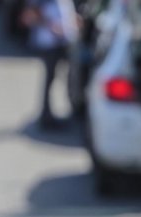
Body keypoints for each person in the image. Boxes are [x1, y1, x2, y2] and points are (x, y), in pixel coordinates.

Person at [28, 0, 79, 129]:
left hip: (63, 42)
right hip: (50, 43)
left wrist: (74, 22)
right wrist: (52, 27)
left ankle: (64, 111)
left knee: (67, 77)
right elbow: (32, 14)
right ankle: (46, 116)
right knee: (50, 80)